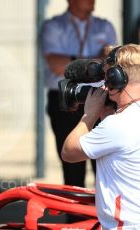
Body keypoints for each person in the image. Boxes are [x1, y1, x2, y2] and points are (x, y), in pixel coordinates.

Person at [62, 44, 140, 228]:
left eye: (107, 78)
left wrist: (89, 115)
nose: (104, 85)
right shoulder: (122, 122)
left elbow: (69, 152)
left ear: (117, 80)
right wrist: (106, 115)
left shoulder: (118, 125)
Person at [40, 0, 116, 187]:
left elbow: (112, 60)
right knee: (72, 165)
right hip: (65, 98)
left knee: (104, 163)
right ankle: (75, 216)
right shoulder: (53, 26)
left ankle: (102, 215)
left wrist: (74, 62)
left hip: (100, 96)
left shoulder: (104, 26)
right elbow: (57, 65)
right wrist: (95, 61)